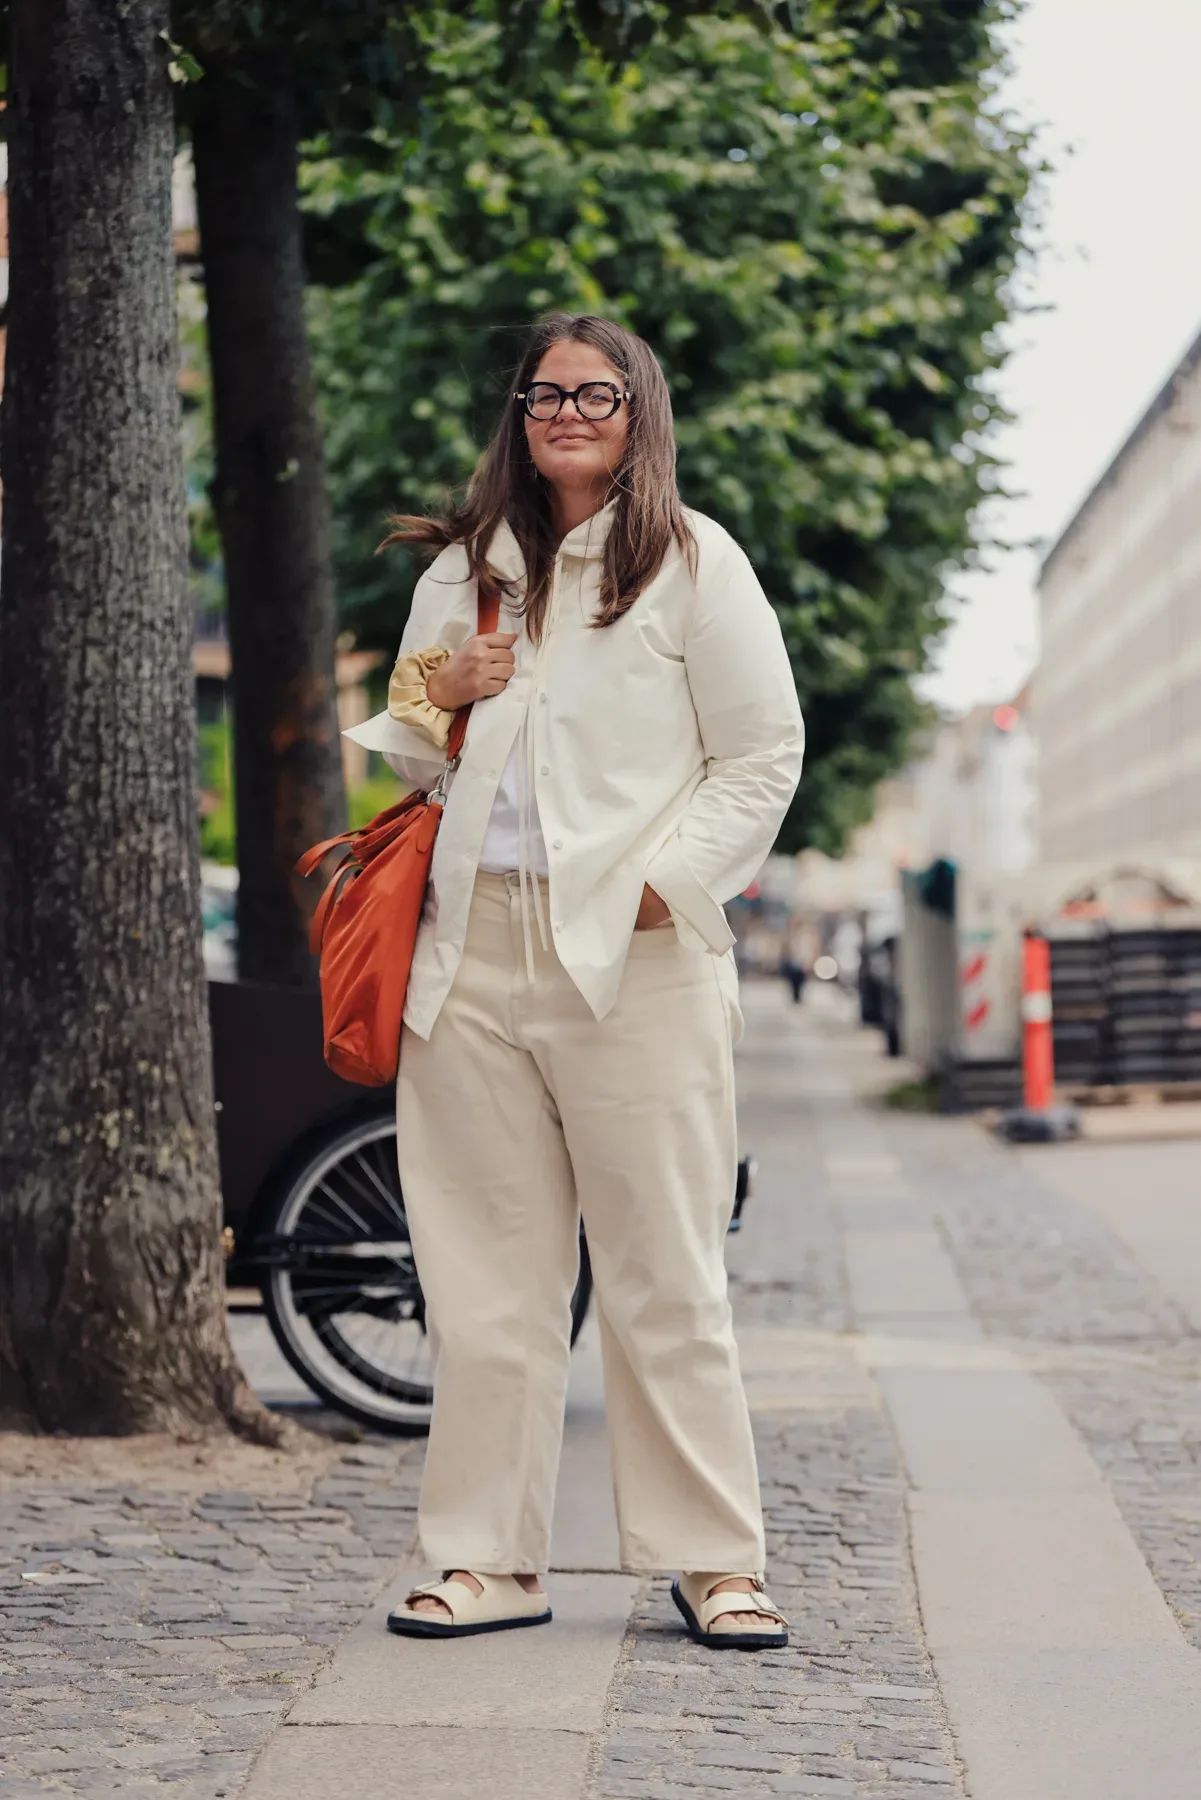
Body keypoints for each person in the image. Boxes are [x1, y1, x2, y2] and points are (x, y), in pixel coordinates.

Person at [344, 313, 804, 1648]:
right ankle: (484, 1560)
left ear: (638, 408)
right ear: (520, 414)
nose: (567, 411)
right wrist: (447, 685)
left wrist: (667, 885)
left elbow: (761, 754)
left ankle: (718, 1559)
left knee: (665, 1271)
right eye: (546, 392)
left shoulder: (692, 562)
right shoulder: (468, 568)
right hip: (472, 949)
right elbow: (415, 758)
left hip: (638, 956)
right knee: (486, 1283)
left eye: (595, 391)